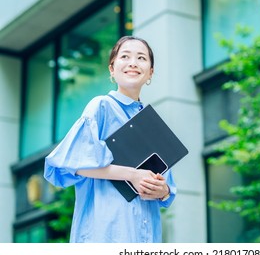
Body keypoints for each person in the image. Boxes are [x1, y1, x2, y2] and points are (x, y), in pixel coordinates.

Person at [44, 36, 175, 243]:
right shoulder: (101, 107)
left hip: (145, 236)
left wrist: (163, 191)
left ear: (150, 72)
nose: (133, 62)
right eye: (125, 56)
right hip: (105, 234)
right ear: (112, 69)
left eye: (141, 58)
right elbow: (71, 164)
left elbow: (166, 186)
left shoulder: (151, 124)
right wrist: (132, 175)